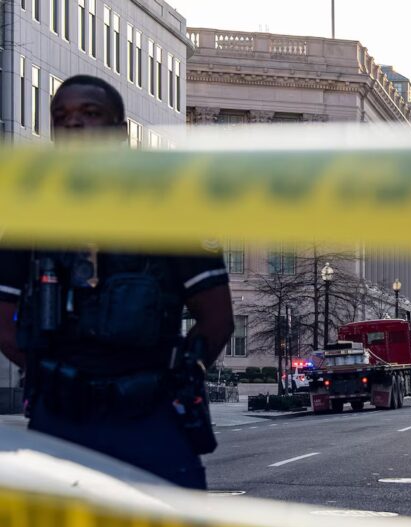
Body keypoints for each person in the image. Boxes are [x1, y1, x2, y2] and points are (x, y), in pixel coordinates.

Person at [0, 75, 235, 490]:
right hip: (61, 419)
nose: (73, 123)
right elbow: (2, 317)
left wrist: (177, 377)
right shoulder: (30, 212)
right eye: (61, 116)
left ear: (121, 131)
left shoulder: (171, 206)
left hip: (149, 416)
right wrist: (54, 375)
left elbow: (216, 319)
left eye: (89, 113)